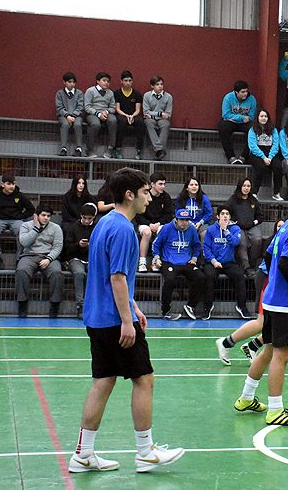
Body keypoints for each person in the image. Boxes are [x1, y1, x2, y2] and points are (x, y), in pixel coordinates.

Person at [68, 167, 184, 474]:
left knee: (103, 382)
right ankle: (145, 451)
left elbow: (111, 276)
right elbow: (117, 277)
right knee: (144, 379)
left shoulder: (105, 224)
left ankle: (83, 454)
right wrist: (127, 321)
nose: (149, 197)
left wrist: (134, 306)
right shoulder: (123, 230)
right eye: (145, 192)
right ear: (130, 195)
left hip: (97, 317)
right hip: (113, 321)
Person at [232, 182, 288, 425]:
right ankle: (275, 410)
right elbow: (284, 263)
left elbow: (268, 255)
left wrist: (275, 282)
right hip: (284, 302)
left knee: (269, 349)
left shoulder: (286, 226)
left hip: (272, 298)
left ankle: (246, 397)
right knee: (281, 356)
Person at [214, 219, 285, 366]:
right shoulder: (283, 237)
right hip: (268, 278)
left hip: (277, 280)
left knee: (280, 323)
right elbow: (272, 259)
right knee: (261, 323)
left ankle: (252, 346)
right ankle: (226, 343)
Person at [152, 208, 205, 321]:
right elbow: (156, 245)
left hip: (186, 261)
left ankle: (191, 306)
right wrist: (156, 258)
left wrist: (194, 258)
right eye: (182, 220)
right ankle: (165, 311)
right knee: (170, 280)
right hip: (169, 261)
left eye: (187, 220)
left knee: (200, 277)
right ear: (176, 220)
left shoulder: (191, 229)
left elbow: (196, 246)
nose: (185, 222)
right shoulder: (166, 228)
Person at [16, 205, 64, 318]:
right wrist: (36, 229)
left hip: (48, 256)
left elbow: (58, 247)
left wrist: (49, 259)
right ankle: (22, 304)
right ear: (36, 216)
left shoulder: (56, 228)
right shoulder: (26, 225)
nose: (46, 218)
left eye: (48, 216)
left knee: (57, 273)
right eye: (43, 215)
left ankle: (55, 305)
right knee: (21, 271)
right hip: (29, 255)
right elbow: (24, 242)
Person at [202, 205, 247, 319]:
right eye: (222, 214)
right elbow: (206, 248)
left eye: (227, 214)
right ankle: (208, 307)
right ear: (217, 216)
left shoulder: (235, 229)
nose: (225, 216)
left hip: (228, 262)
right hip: (213, 262)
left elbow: (235, 242)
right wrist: (214, 261)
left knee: (239, 276)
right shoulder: (211, 229)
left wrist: (225, 231)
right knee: (209, 276)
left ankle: (242, 306)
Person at [0, 174, 35, 270]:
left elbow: (31, 209)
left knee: (22, 229)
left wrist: (21, 216)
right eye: (8, 184)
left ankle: (20, 258)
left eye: (13, 184)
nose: (11, 186)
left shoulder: (20, 196)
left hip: (16, 220)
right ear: (2, 184)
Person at [135, 172, 174, 273]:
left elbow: (168, 215)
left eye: (164, 184)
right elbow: (138, 214)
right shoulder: (144, 195)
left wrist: (158, 224)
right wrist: (149, 224)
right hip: (145, 224)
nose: (163, 186)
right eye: (160, 184)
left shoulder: (166, 197)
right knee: (147, 232)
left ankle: (155, 261)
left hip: (159, 224)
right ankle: (142, 261)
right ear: (152, 184)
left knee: (162, 230)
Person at [64, 202, 97, 318]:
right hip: (75, 258)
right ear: (80, 216)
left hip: (92, 259)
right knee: (79, 273)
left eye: (89, 218)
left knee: (94, 273)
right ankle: (80, 305)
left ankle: (94, 304)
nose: (87, 221)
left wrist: (90, 246)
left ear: (94, 217)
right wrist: (78, 245)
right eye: (84, 218)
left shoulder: (98, 228)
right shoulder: (73, 227)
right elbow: (67, 247)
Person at [226, 177, 264, 278]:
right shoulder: (233, 199)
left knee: (257, 239)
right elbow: (226, 212)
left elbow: (260, 216)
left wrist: (253, 222)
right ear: (240, 186)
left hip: (251, 226)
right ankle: (246, 267)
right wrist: (233, 222)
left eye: (248, 186)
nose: (246, 188)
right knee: (241, 241)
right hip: (237, 227)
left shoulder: (253, 200)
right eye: (244, 186)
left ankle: (252, 264)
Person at [218, 80, 257, 165]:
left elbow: (251, 116)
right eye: (242, 92)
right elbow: (226, 115)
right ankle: (231, 157)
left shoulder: (252, 99)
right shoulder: (228, 98)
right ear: (236, 92)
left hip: (244, 123)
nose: (245, 94)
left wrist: (234, 117)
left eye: (246, 91)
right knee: (223, 127)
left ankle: (244, 157)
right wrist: (241, 118)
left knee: (254, 129)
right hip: (232, 122)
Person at [247, 108, 283, 198]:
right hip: (257, 154)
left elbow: (275, 145)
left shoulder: (273, 130)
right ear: (258, 118)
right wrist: (263, 157)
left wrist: (270, 157)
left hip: (271, 153)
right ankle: (254, 192)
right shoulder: (252, 130)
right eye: (261, 116)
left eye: (266, 116)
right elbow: (253, 147)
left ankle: (276, 193)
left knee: (278, 167)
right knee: (260, 167)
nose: (264, 118)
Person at [83, 72, 117, 159]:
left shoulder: (110, 93)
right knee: (95, 124)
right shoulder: (90, 91)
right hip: (92, 113)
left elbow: (113, 107)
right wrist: (98, 114)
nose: (106, 83)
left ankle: (110, 148)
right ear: (98, 81)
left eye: (108, 81)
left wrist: (106, 111)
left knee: (113, 120)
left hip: (105, 113)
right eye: (104, 80)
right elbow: (87, 107)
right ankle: (89, 150)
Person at [113, 70, 144, 160]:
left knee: (140, 122)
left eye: (130, 80)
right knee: (121, 121)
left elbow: (138, 109)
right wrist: (126, 115)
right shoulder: (117, 93)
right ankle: (118, 149)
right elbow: (117, 108)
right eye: (126, 80)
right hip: (122, 115)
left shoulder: (137, 94)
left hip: (133, 115)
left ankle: (139, 150)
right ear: (121, 81)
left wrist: (132, 116)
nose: (128, 83)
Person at [142, 75, 173, 161]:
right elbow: (145, 112)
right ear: (152, 86)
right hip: (151, 119)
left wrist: (153, 114)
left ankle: (159, 150)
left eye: (161, 84)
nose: (160, 86)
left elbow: (168, 114)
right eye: (157, 84)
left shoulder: (168, 97)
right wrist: (160, 113)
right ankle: (160, 149)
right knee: (148, 123)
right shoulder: (147, 96)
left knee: (166, 124)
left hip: (162, 120)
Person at [56, 71, 85, 157]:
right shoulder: (60, 93)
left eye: (73, 82)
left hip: (77, 116)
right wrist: (67, 116)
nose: (72, 84)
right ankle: (63, 148)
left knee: (78, 125)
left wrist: (73, 116)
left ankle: (79, 148)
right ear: (64, 82)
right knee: (65, 124)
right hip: (63, 116)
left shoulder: (79, 93)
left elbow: (80, 107)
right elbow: (59, 107)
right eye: (69, 82)